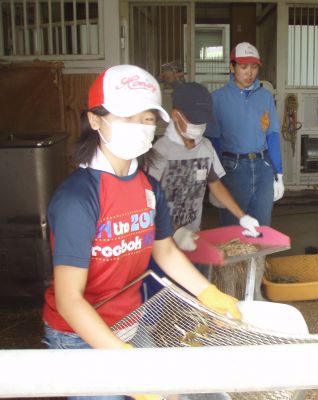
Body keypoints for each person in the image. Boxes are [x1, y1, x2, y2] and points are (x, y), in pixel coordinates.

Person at [42, 65, 241, 400]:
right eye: (127, 116)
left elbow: (163, 251)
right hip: (79, 334)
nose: (140, 126)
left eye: (148, 118)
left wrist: (209, 294)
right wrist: (126, 363)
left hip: (130, 320)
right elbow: (69, 300)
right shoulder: (78, 198)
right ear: (95, 120)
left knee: (170, 393)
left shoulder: (147, 187)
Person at [142, 82, 260, 297]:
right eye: (194, 120)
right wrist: (176, 231)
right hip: (161, 243)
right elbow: (146, 202)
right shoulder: (160, 152)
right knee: (159, 300)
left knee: (193, 297)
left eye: (202, 121)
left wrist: (242, 216)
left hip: (193, 239)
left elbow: (215, 183)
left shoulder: (205, 147)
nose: (199, 126)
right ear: (175, 115)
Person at [205, 42, 284, 227]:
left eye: (254, 67)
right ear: (232, 67)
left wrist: (278, 173)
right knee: (233, 227)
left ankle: (258, 258)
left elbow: (272, 135)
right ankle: (237, 258)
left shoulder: (265, 96)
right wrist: (214, 181)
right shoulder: (217, 98)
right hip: (232, 167)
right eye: (243, 67)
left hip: (263, 166)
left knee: (262, 226)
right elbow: (213, 143)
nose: (249, 73)